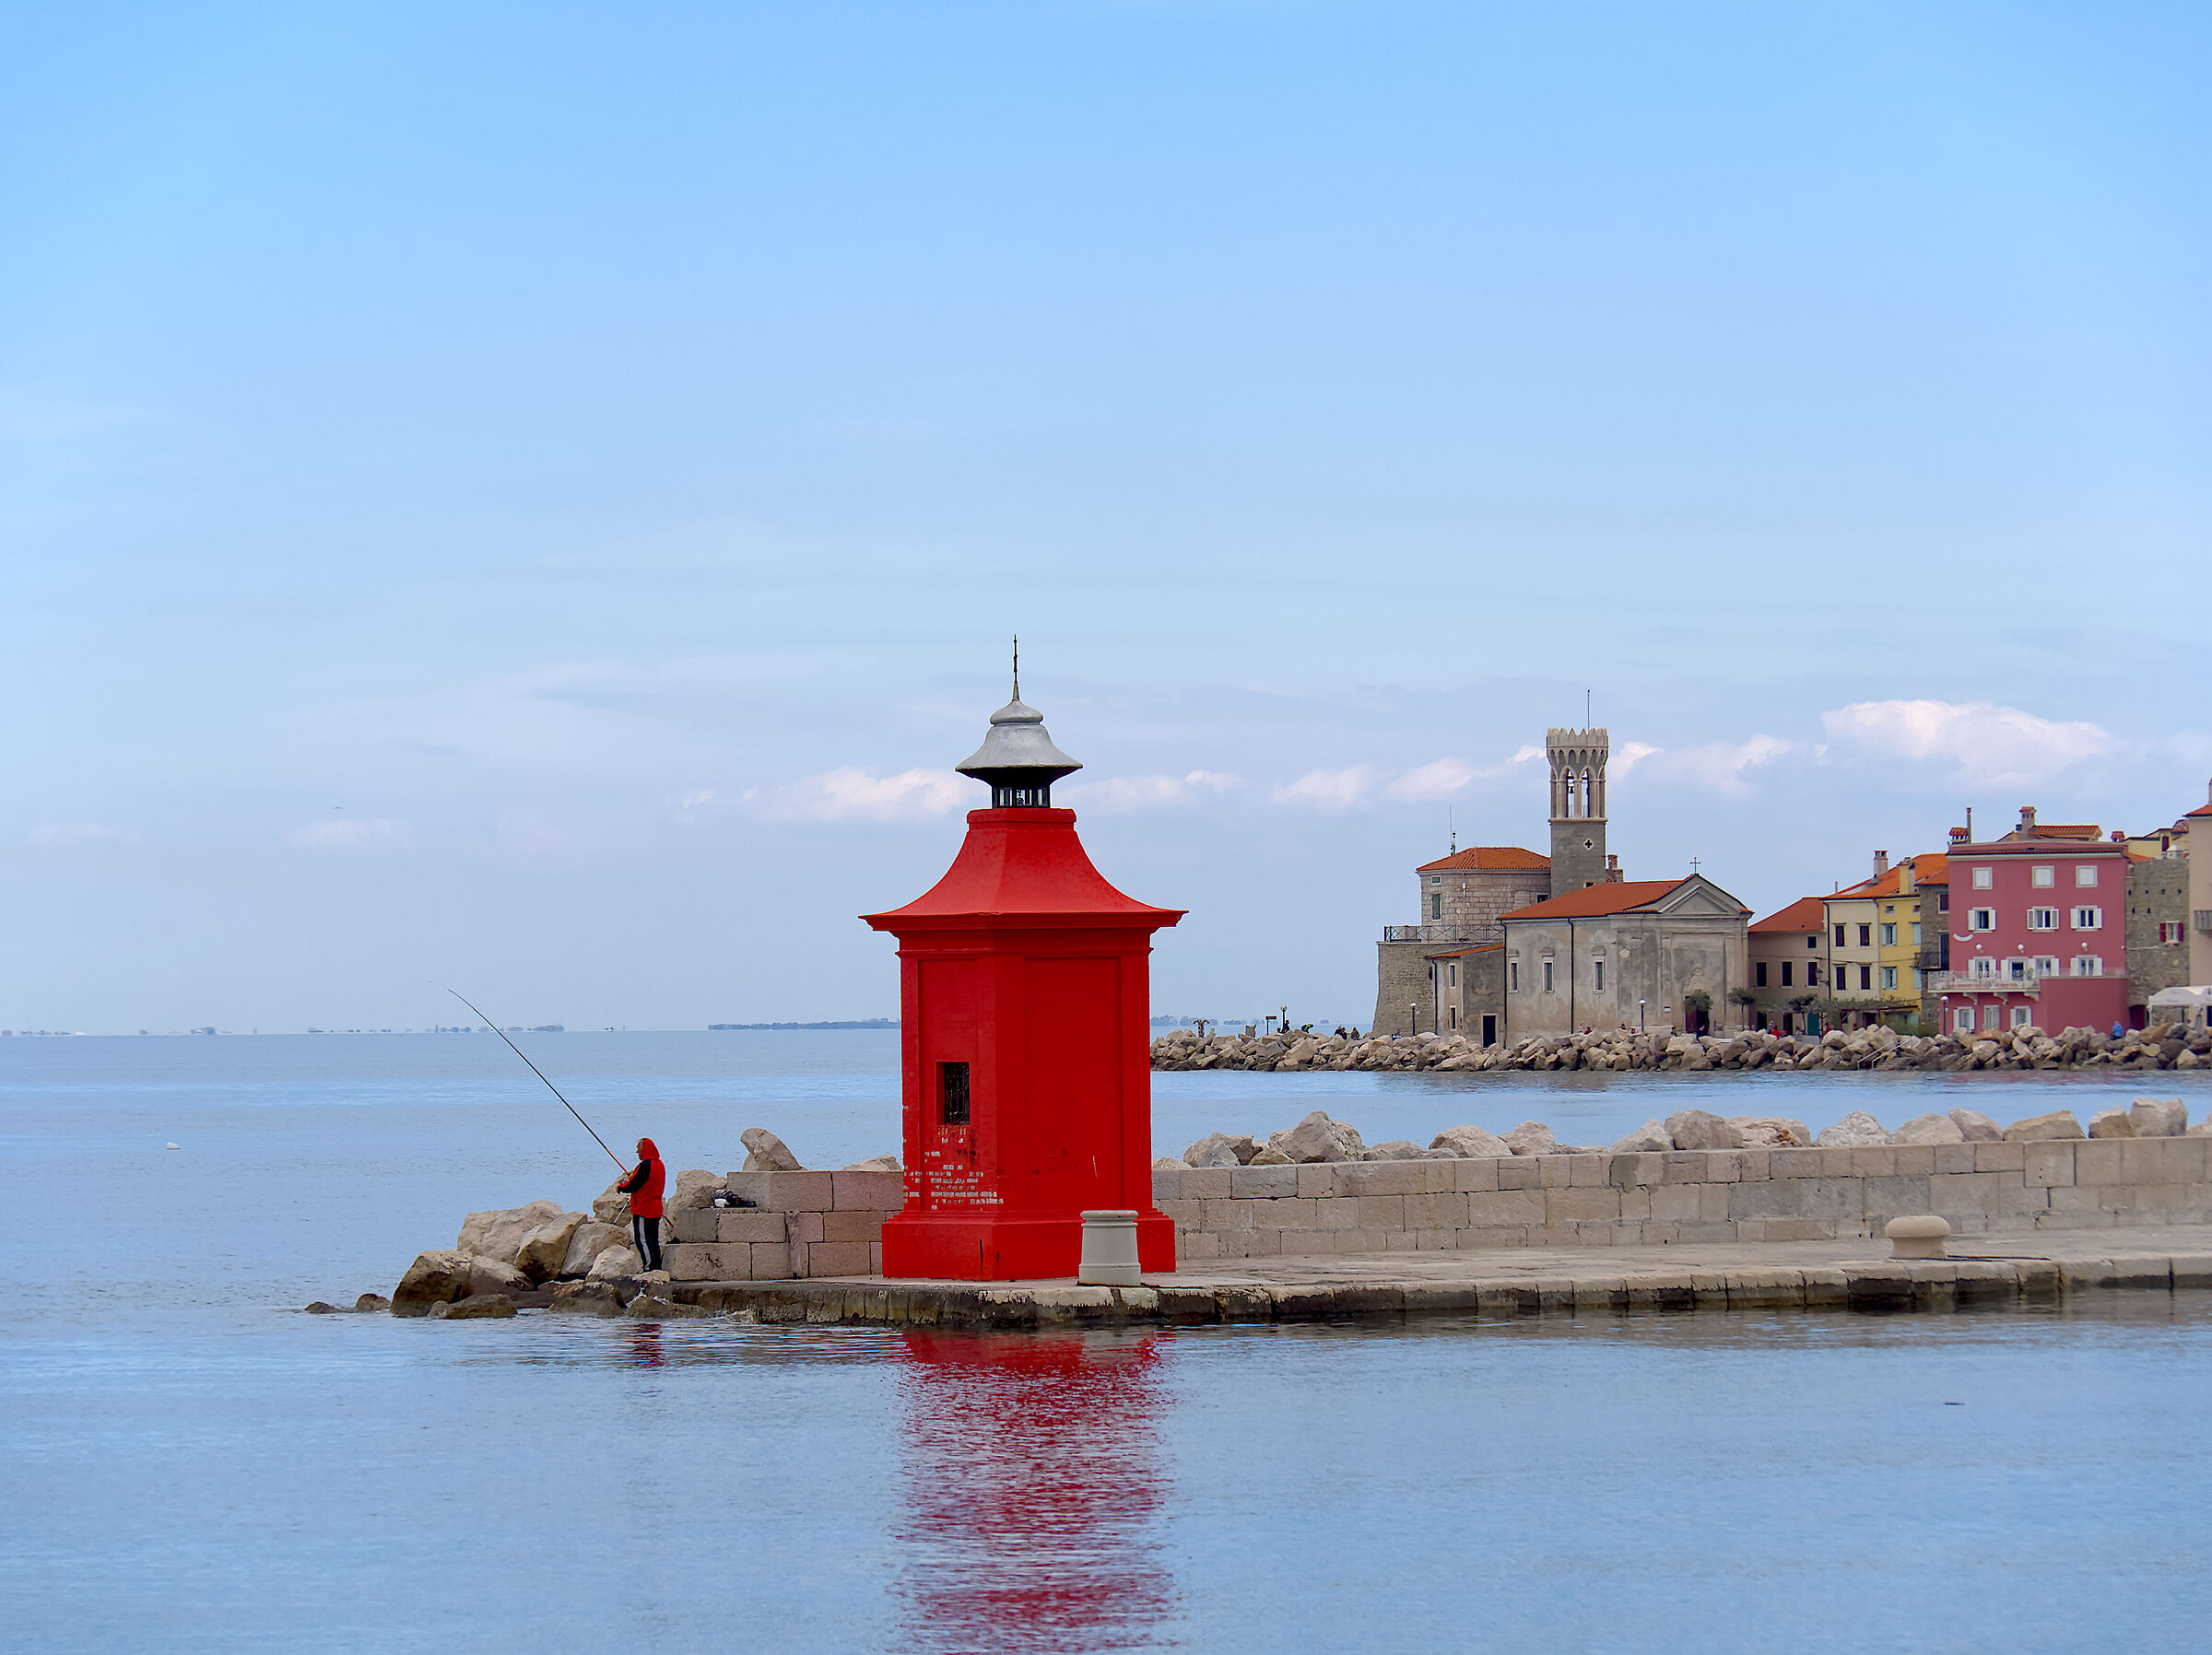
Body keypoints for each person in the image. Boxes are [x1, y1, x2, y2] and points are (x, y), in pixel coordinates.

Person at [617, 1136, 666, 1274]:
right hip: (656, 1208)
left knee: (642, 1240)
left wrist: (621, 1187)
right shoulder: (660, 1165)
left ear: (644, 1149)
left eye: (638, 1149)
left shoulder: (645, 1165)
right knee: (653, 1240)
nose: (637, 1152)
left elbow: (634, 1184)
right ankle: (657, 1267)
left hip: (644, 1209)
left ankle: (648, 1267)